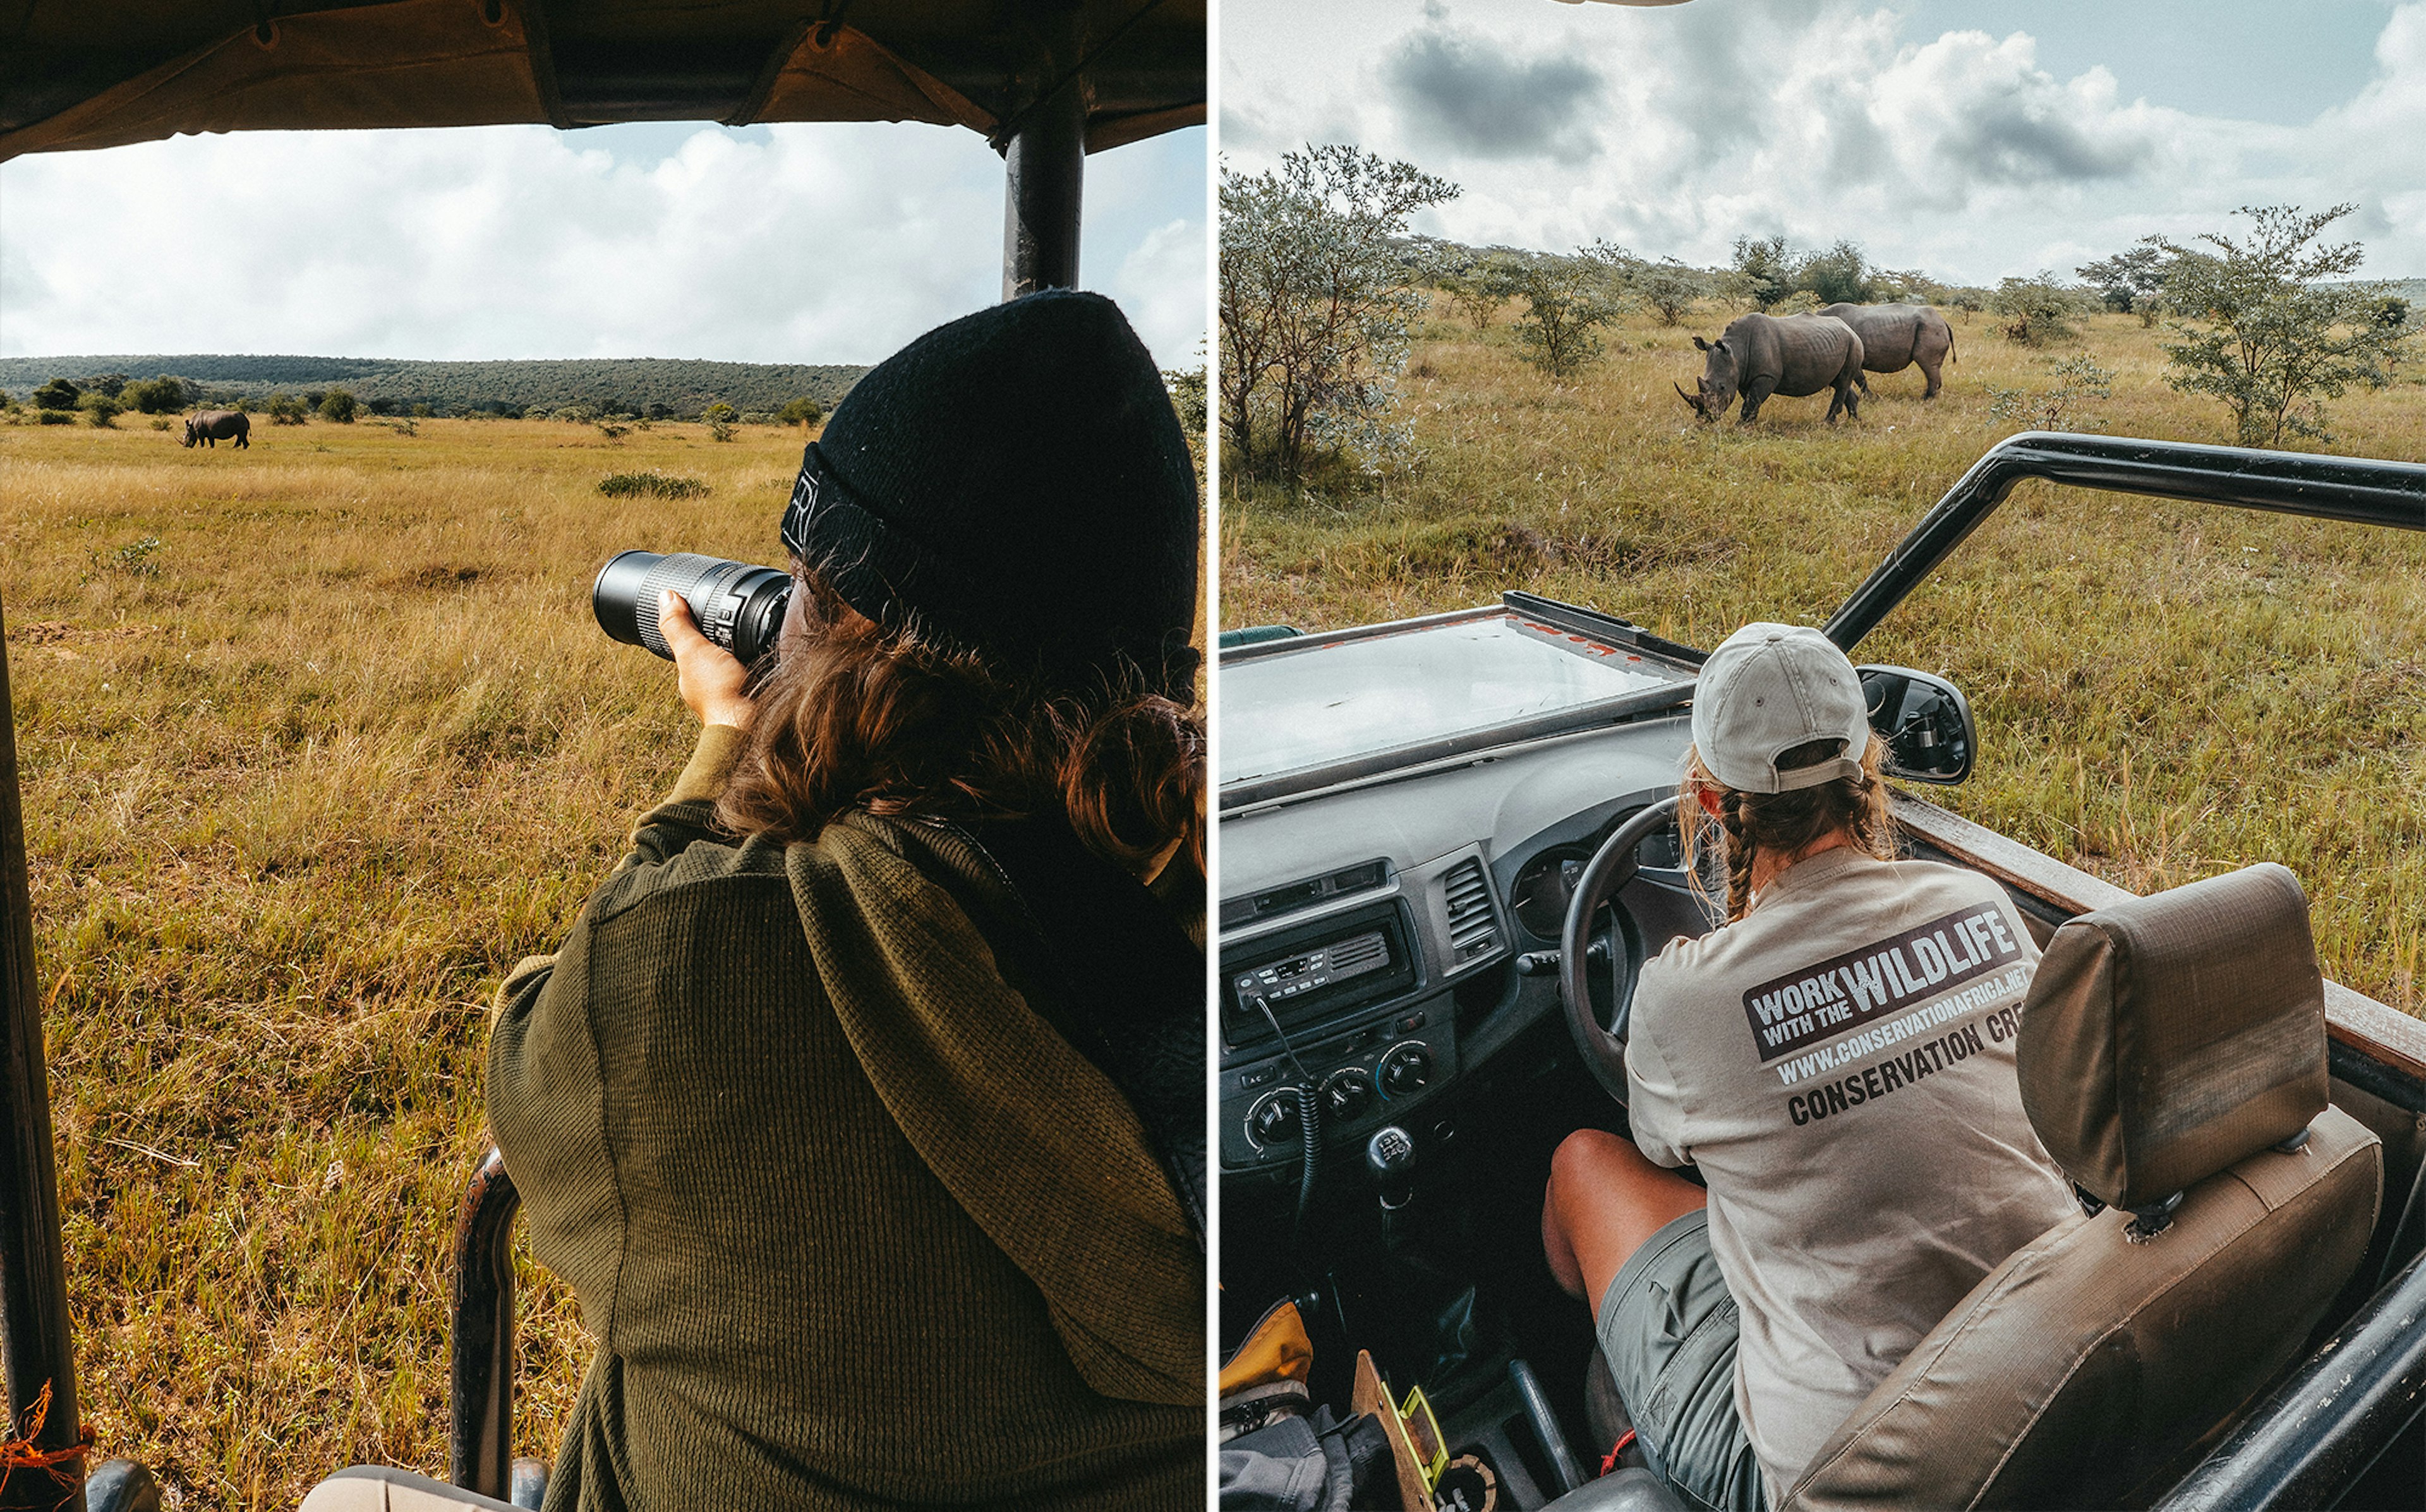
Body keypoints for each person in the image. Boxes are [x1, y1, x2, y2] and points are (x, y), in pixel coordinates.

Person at [485, 291, 1205, 1509]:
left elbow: (528, 1058)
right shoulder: (1196, 896)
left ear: (840, 634)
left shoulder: (686, 958)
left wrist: (726, 753)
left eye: (812, 592)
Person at [1540, 623, 2073, 1512]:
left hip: (1841, 1471)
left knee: (1579, 1165)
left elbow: (1666, 1148)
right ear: (1867, 760)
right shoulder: (1981, 905)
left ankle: (1579, 1373)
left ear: (1711, 801)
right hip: (2037, 1376)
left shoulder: (1681, 998)